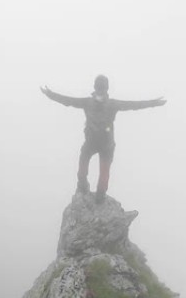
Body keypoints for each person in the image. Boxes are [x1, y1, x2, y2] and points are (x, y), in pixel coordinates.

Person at [41, 75, 166, 203]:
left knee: (100, 172)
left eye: (102, 90)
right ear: (98, 89)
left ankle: (96, 193)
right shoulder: (94, 103)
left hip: (104, 145)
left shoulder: (105, 104)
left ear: (104, 90)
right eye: (99, 90)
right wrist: (50, 94)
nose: (100, 93)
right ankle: (87, 188)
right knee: (86, 170)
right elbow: (67, 100)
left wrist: (154, 103)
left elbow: (135, 105)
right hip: (97, 144)